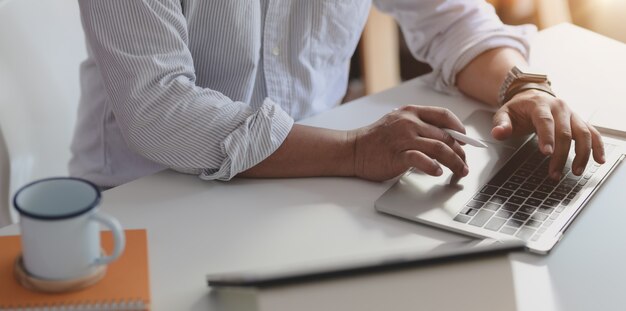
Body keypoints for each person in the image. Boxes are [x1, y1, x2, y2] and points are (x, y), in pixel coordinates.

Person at [70, 0, 604, 189]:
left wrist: (522, 86)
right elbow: (158, 109)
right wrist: (352, 150)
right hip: (144, 194)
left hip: (310, 178)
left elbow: (450, 17)